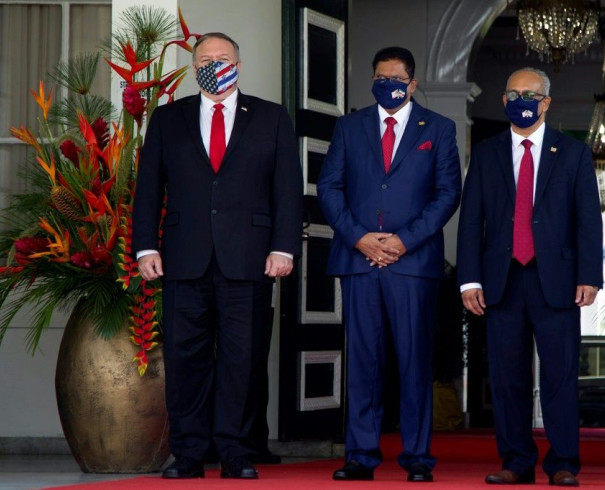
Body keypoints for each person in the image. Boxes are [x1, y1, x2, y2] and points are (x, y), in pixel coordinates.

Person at [132, 32, 303, 480]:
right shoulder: (169, 119)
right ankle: (188, 454)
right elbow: (149, 187)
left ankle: (236, 452)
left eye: (223, 58)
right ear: (194, 68)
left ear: (239, 64)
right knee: (184, 359)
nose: (215, 64)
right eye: (206, 59)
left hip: (248, 258)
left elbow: (287, 189)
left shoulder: (270, 117)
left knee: (241, 360)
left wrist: (283, 246)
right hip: (183, 258)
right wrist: (146, 246)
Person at [317, 46, 462, 483]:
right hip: (359, 260)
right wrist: (360, 238)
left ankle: (417, 456)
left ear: (412, 83)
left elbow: (446, 194)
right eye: (380, 76)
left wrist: (403, 241)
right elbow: (329, 187)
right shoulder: (349, 126)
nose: (388, 84)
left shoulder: (438, 128)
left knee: (414, 361)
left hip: (411, 264)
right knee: (362, 362)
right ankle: (360, 455)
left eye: (396, 78)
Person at [456, 67, 603, 487]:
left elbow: (587, 220)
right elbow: (471, 223)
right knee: (506, 379)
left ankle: (562, 464)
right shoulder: (486, 153)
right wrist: (470, 280)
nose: (522, 100)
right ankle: (517, 461)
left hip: (555, 280)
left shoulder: (572, 153)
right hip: (500, 281)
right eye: (514, 93)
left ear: (546, 103)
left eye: (531, 94)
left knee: (558, 376)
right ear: (504, 101)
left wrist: (589, 275)